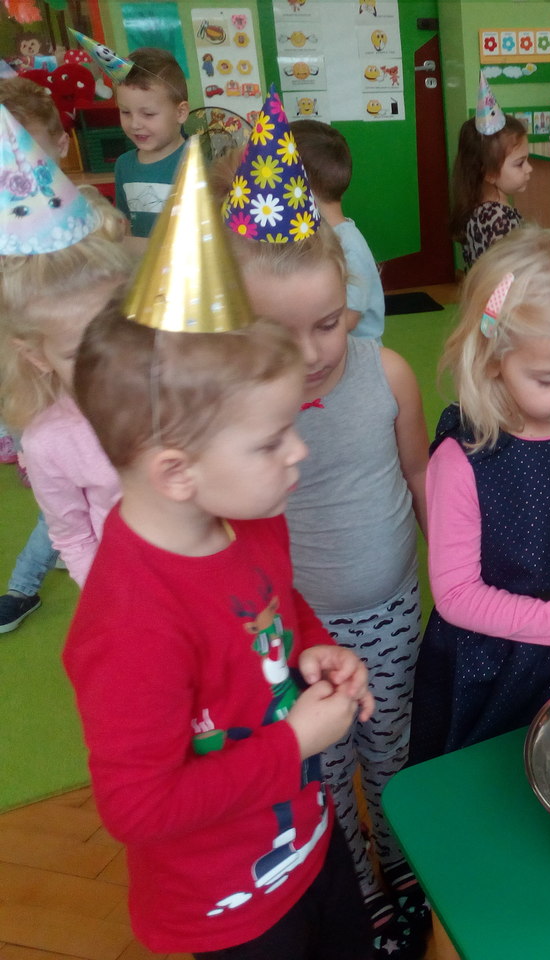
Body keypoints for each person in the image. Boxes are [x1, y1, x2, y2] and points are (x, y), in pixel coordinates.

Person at [63, 145, 375, 958]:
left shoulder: (251, 514)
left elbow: (272, 602)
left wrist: (313, 645)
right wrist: (293, 744)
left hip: (310, 841)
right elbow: (138, 808)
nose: (298, 453)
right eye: (272, 441)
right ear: (177, 472)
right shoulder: (131, 624)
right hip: (230, 907)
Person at [223, 91, 431, 957]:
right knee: (320, 770)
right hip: (291, 633)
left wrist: (455, 579)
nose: (312, 351)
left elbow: (419, 477)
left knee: (392, 754)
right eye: (281, 333)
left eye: (326, 322)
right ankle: (356, 888)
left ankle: (407, 867)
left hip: (390, 612)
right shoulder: (236, 412)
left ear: (351, 299)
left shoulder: (388, 374)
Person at [408, 226, 550, 765]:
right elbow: (456, 595)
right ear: (493, 358)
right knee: (489, 780)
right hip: (494, 668)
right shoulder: (461, 460)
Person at [0, 167, 132, 588]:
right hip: (131, 589)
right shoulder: (51, 442)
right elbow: (73, 536)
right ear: (37, 356)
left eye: (121, 331)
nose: (109, 361)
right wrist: (109, 601)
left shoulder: (178, 384)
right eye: (78, 354)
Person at [0, 81, 72, 631]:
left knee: (68, 488)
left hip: (75, 383)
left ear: (61, 144)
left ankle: (23, 585)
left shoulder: (82, 219)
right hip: (22, 386)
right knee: (55, 488)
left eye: (30, 149)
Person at [290, 119, 386, 340]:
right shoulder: (316, 237)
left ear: (298, 185)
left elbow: (349, 319)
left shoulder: (348, 244)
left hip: (356, 355)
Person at [450, 74, 530, 268]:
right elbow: (508, 274)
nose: (529, 168)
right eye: (520, 163)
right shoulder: (497, 219)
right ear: (490, 174)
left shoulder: (479, 208)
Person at [113, 46, 189, 238]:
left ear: (180, 113)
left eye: (148, 114)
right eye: (125, 112)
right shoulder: (123, 165)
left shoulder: (195, 164)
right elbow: (125, 224)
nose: (135, 124)